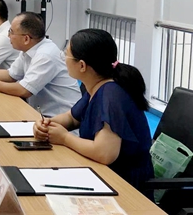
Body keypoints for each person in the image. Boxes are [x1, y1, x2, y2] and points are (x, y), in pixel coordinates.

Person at [33, 29, 154, 196]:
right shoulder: (96, 86)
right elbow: (71, 118)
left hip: (124, 185)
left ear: (82, 65)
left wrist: (64, 138)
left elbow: (104, 153)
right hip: (101, 173)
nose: (63, 58)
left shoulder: (111, 94)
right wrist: (46, 124)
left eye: (66, 55)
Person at [0, 12, 80, 117]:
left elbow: (24, 90)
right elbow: (11, 75)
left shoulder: (45, 55)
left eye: (11, 32)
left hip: (60, 119)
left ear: (26, 39)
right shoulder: (29, 49)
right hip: (39, 114)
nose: (8, 36)